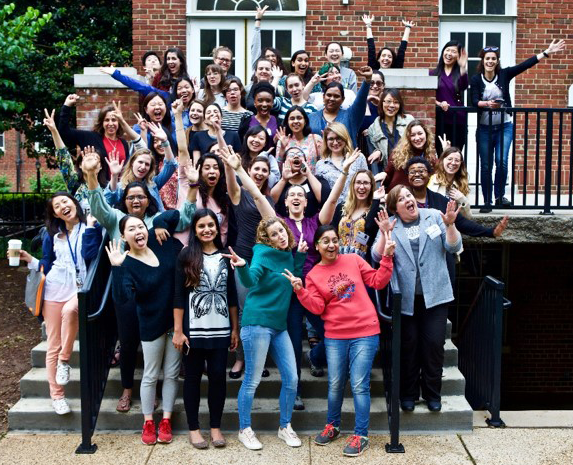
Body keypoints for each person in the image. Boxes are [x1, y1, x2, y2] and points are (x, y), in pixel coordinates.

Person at [82, 147, 197, 413]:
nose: (136, 200)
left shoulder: (158, 221)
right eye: (131, 197)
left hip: (155, 293)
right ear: (125, 200)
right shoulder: (117, 220)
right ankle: (126, 389)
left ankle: (155, 392)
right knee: (129, 338)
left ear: (148, 200)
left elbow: (186, 216)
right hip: (126, 291)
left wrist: (191, 185)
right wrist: (91, 175)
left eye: (141, 197)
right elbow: (98, 206)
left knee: (155, 342)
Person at [283, 224, 394, 457]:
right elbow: (317, 307)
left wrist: (386, 258)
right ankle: (332, 426)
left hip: (365, 330)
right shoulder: (313, 275)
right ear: (318, 246)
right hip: (335, 335)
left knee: (359, 384)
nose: (332, 245)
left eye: (334, 240)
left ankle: (360, 435)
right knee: (335, 384)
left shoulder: (353, 260)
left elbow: (377, 281)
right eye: (326, 241)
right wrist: (301, 291)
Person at [372, 185, 462, 413]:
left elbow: (453, 246)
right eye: (401, 199)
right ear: (395, 208)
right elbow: (376, 255)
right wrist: (385, 234)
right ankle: (409, 394)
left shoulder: (433, 216)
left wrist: (450, 224)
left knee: (433, 346)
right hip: (406, 300)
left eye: (409, 195)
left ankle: (432, 394)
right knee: (408, 347)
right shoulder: (391, 224)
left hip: (436, 297)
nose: (408, 200)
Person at [222, 217, 307, 451]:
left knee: (292, 379)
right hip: (257, 322)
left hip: (279, 325)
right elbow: (252, 278)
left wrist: (298, 256)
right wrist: (242, 267)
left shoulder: (287, 254)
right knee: (252, 380)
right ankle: (244, 429)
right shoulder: (261, 252)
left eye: (281, 231)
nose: (280, 235)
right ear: (266, 239)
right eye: (274, 234)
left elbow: (292, 277)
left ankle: (284, 426)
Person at [16, 193, 102, 415]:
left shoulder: (90, 226)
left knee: (71, 309)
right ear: (55, 213)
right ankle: (57, 396)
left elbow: (90, 256)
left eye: (66, 201)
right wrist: (29, 259)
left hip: (79, 288)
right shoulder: (53, 235)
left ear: (74, 203)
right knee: (52, 344)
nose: (63, 206)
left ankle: (65, 360)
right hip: (54, 289)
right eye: (57, 206)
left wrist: (91, 229)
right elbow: (47, 262)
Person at [106, 208, 185, 445]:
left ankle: (167, 420)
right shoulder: (127, 263)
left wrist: (159, 222)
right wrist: (117, 268)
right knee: (151, 374)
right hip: (150, 324)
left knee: (171, 374)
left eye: (140, 226)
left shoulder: (161, 240)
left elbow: (174, 215)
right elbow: (121, 299)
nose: (138, 231)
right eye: (131, 229)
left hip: (176, 322)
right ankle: (148, 421)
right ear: (123, 238)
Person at [471, 39, 566, 212]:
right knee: (485, 165)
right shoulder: (476, 79)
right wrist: (487, 104)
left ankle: (499, 197)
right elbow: (474, 100)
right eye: (487, 59)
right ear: (482, 61)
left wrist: (546, 52)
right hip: (484, 128)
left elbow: (525, 65)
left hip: (504, 126)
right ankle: (486, 201)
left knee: (502, 161)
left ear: (497, 61)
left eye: (493, 58)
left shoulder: (505, 74)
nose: (490, 61)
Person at [172, 209, 239, 449]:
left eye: (211, 225)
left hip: (220, 331)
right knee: (191, 379)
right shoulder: (186, 256)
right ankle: (193, 428)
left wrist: (234, 329)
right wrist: (178, 331)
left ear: (216, 227)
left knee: (218, 379)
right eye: (201, 226)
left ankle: (215, 427)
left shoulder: (225, 256)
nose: (207, 229)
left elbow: (231, 295)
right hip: (194, 332)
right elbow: (179, 296)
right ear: (195, 230)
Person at [222, 148, 275, 379]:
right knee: (245, 312)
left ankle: (258, 360)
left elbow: (271, 220)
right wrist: (231, 163)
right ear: (250, 170)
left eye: (265, 170)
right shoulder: (238, 195)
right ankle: (241, 358)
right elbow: (230, 176)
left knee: (260, 311)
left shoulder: (268, 200)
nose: (261, 173)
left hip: (263, 260)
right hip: (242, 258)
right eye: (257, 168)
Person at [58, 95, 146, 181]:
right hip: (98, 189)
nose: (110, 123)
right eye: (107, 120)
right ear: (102, 122)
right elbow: (64, 132)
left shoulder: (124, 143)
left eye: (114, 120)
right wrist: (67, 106)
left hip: (119, 189)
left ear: (119, 122)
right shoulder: (90, 137)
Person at [43, 109, 107, 203]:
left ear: (101, 166)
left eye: (95, 159)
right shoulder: (74, 183)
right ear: (80, 165)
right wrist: (54, 131)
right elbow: (64, 157)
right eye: (87, 159)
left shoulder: (108, 189)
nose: (91, 163)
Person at [105, 128, 177, 212]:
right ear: (132, 163)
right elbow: (109, 201)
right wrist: (114, 176)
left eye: (147, 164)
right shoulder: (121, 186)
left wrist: (165, 142)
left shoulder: (153, 183)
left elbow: (171, 165)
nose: (143, 167)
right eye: (140, 162)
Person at [309, 66, 373, 147]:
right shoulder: (311, 118)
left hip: (347, 158)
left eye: (336, 96)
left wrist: (367, 80)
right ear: (323, 96)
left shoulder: (350, 116)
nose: (332, 98)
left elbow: (361, 100)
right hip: (318, 159)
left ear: (343, 99)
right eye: (329, 95)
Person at [431, 41, 469, 155]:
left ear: (458, 56)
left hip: (458, 121)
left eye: (453, 51)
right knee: (442, 154)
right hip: (440, 121)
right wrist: (438, 103)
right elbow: (426, 97)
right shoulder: (433, 73)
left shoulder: (459, 73)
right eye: (447, 50)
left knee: (455, 155)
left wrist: (463, 67)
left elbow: (464, 86)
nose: (449, 54)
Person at [366, 88, 414, 177]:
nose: (392, 105)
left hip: (409, 171)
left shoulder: (409, 121)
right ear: (382, 103)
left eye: (396, 102)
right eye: (388, 101)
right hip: (388, 175)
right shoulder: (373, 129)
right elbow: (374, 151)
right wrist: (379, 152)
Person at [315, 122, 368, 202]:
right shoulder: (320, 165)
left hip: (356, 207)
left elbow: (367, 183)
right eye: (331, 139)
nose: (335, 142)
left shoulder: (358, 158)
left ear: (345, 138)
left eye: (338, 138)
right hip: (333, 211)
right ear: (326, 141)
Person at [381, 119, 435, 190]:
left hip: (417, 198)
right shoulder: (398, 153)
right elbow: (388, 176)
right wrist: (383, 175)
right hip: (396, 196)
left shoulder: (431, 158)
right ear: (408, 138)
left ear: (426, 134)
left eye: (420, 133)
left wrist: (445, 153)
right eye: (412, 135)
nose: (417, 138)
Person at [276, 105, 323, 173]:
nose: (295, 121)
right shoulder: (283, 140)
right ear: (287, 122)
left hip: (312, 181)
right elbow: (278, 170)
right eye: (292, 118)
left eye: (299, 118)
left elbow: (322, 164)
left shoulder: (316, 139)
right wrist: (282, 148)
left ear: (305, 121)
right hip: (290, 181)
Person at [428, 147, 472, 219]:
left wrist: (462, 199)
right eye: (450, 159)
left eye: (457, 160)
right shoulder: (433, 180)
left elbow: (468, 217)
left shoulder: (462, 184)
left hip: (455, 225)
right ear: (442, 160)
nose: (453, 163)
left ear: (461, 164)